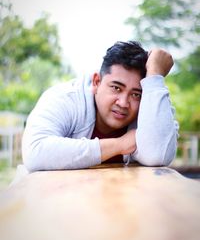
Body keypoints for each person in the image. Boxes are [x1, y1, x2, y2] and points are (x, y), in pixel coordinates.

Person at [22, 41, 179, 171]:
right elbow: (35, 152)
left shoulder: (152, 104)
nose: (123, 103)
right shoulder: (65, 98)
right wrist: (120, 145)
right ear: (97, 82)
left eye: (136, 94)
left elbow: (159, 155)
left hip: (126, 202)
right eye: (116, 88)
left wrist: (155, 77)